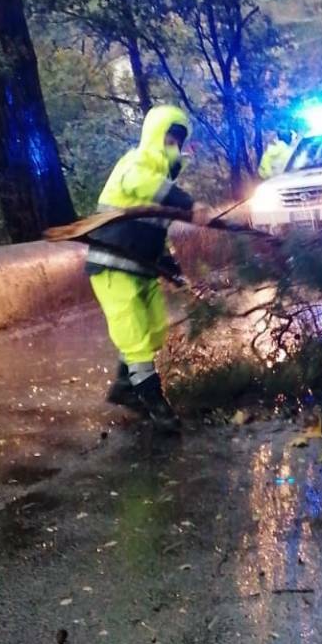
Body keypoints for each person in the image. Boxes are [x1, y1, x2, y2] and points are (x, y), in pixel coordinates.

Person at [84, 104, 209, 434]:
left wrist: (171, 265)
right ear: (155, 135)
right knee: (135, 334)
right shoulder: (136, 163)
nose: (175, 146)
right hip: (114, 267)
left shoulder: (163, 179)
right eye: (170, 137)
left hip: (143, 267)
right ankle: (155, 404)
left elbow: (157, 231)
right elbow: (144, 185)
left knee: (154, 329)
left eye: (179, 141)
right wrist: (190, 204)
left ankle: (125, 387)